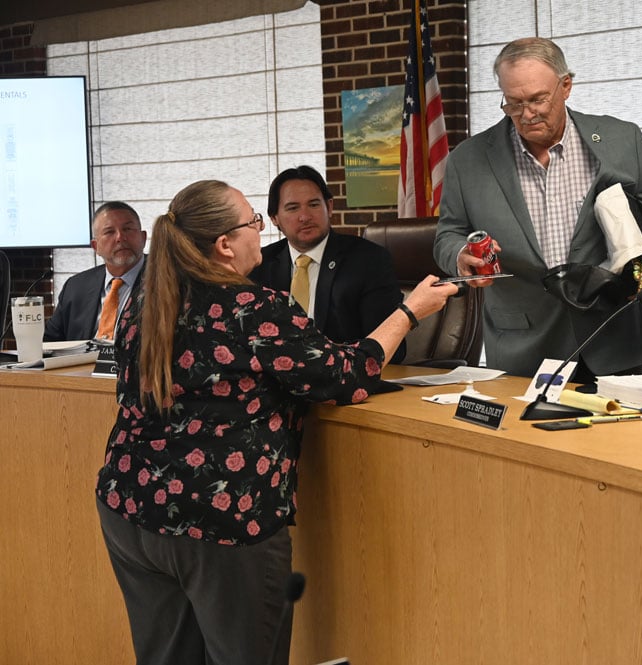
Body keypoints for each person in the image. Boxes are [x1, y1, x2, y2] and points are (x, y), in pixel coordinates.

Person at [95, 180, 456, 665]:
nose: (259, 233)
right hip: (220, 519)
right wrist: (410, 312)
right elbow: (346, 375)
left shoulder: (146, 301)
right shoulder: (252, 308)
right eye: (253, 222)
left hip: (127, 504)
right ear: (225, 245)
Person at [433, 37, 642, 378]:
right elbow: (448, 233)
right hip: (522, 348)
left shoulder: (619, 139)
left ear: (566, 86)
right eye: (513, 104)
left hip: (614, 337)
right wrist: (460, 255)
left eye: (538, 99)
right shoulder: (468, 160)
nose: (526, 115)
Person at [250, 165, 407, 363]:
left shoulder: (368, 260)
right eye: (293, 208)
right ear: (274, 218)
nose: (305, 216)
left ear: (330, 207)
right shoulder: (260, 264)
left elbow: (390, 348)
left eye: (314, 205)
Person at [44, 201, 146, 341]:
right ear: (95, 246)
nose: (120, 238)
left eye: (127, 229)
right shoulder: (76, 287)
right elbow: (50, 344)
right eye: (109, 232)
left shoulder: (168, 279)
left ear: (143, 238)